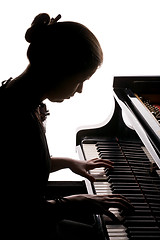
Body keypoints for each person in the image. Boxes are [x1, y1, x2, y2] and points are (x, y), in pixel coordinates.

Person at [0, 13, 133, 239]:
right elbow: (17, 212)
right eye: (79, 80)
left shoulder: (17, 97)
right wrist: (76, 201)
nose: (79, 89)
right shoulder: (16, 119)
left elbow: (19, 169)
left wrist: (67, 162)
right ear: (57, 71)